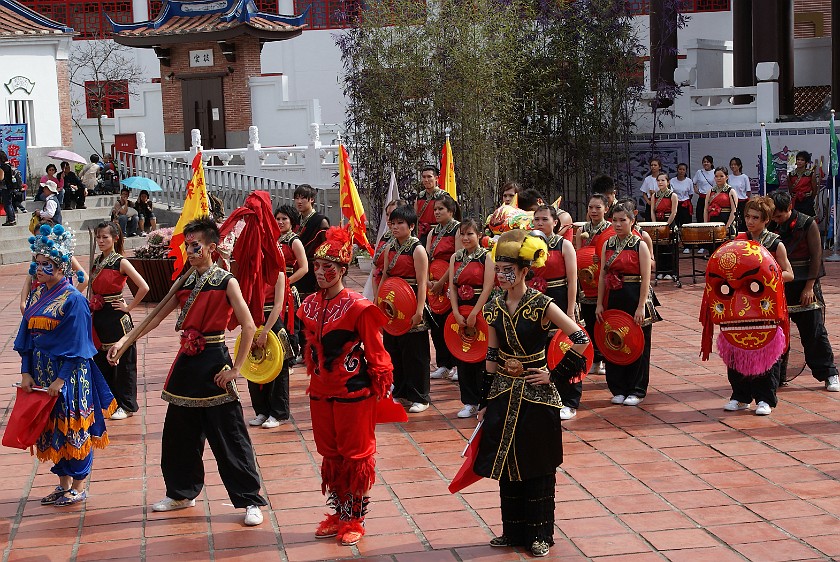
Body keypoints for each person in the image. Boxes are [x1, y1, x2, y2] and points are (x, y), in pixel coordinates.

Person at [108, 217, 267, 526]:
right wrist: (125, 341)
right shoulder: (185, 281)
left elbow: (248, 325)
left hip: (214, 363)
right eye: (187, 246)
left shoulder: (225, 281)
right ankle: (181, 492)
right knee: (179, 434)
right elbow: (154, 316)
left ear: (211, 247)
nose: (191, 252)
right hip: (186, 364)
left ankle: (249, 499)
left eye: (196, 246)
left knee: (230, 436)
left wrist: (236, 369)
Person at [477, 229, 590, 558]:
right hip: (503, 391)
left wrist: (554, 375)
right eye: (498, 268)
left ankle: (540, 535)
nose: (501, 274)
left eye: (507, 268)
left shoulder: (542, 304)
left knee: (537, 463)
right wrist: (485, 400)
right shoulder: (495, 304)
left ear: (525, 270)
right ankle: (512, 530)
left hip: (536, 395)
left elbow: (580, 339)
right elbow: (491, 356)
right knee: (507, 462)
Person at [298, 226, 393, 546]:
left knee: (357, 456)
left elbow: (378, 354)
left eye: (330, 267)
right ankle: (338, 513)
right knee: (331, 454)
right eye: (318, 266)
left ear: (342, 269)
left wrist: (381, 388)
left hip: (355, 392)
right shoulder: (309, 303)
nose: (322, 272)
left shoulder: (358, 307)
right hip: (320, 391)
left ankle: (356, 518)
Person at [15, 224, 117, 506]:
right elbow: (26, 337)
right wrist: (26, 371)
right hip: (41, 374)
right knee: (52, 429)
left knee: (74, 428)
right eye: (38, 264)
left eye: (46, 264)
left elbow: (78, 347)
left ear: (61, 267)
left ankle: (80, 485)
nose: (39, 269)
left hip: (70, 376)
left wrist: (60, 379)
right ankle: (63, 484)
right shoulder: (36, 296)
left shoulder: (74, 300)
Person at [728, 197, 793, 415]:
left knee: (766, 351)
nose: (750, 221)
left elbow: (789, 274)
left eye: (755, 217)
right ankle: (740, 396)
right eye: (747, 216)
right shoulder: (738, 241)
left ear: (766, 220)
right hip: (740, 306)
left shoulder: (775, 243)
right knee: (738, 348)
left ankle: (765, 399)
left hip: (766, 306)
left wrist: (765, 277)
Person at [768, 190, 839, 392]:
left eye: (779, 216)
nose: (776, 220)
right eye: (773, 216)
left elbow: (817, 257)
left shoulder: (808, 223)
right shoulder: (770, 225)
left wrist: (809, 286)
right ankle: (776, 376)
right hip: (780, 285)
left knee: (814, 332)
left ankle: (829, 374)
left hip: (805, 283)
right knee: (777, 334)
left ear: (789, 208)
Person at [596, 201, 660, 406]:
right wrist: (599, 303)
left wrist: (641, 306)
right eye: (614, 220)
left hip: (635, 295)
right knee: (613, 340)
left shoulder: (639, 244)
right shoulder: (608, 244)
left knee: (637, 342)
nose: (617, 224)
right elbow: (601, 276)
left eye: (622, 220)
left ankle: (637, 389)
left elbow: (646, 278)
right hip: (614, 296)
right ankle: (618, 387)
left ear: (632, 221)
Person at [89, 221, 148, 420]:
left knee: (123, 361)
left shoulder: (120, 261)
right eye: (98, 237)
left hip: (117, 316)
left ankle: (127, 404)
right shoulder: (96, 261)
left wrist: (128, 307)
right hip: (99, 316)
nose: (101, 241)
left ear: (115, 238)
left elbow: (144, 287)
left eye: (105, 237)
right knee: (102, 359)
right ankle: (110, 402)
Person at [530, 204, 579, 419]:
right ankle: (546, 395)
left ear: (555, 222)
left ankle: (570, 400)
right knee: (540, 349)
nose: (540, 223)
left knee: (564, 348)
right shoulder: (529, 245)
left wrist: (570, 309)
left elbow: (572, 280)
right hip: (536, 302)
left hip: (558, 298)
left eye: (544, 219)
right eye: (537, 220)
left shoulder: (563, 245)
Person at [380, 205, 430, 413]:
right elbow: (384, 276)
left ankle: (420, 396)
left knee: (415, 353)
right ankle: (400, 391)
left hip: (411, 304)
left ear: (411, 226)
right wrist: (378, 302)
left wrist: (419, 310)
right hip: (391, 303)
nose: (396, 227)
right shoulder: (389, 247)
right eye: (393, 223)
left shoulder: (417, 249)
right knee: (394, 349)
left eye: (401, 223)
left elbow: (422, 281)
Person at [447, 219, 495, 418]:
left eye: (470, 234)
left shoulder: (486, 258)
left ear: (479, 235)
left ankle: (485, 401)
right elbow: (452, 286)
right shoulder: (455, 257)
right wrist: (456, 313)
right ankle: (468, 401)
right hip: (460, 309)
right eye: (462, 234)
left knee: (482, 356)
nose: (466, 238)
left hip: (480, 308)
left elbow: (488, 287)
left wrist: (476, 312)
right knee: (463, 353)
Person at [577, 193, 613, 375]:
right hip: (585, 282)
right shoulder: (581, 229)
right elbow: (577, 254)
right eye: (590, 207)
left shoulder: (611, 230)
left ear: (606, 209)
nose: (593, 211)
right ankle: (594, 359)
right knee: (589, 321)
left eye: (598, 207)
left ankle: (607, 358)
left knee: (604, 322)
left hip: (603, 280)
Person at [426, 195, 461, 381]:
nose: (437, 212)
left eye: (441, 209)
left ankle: (456, 363)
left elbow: (457, 260)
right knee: (436, 324)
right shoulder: (433, 232)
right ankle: (443, 364)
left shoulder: (457, 230)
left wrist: (442, 283)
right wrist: (428, 281)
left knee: (451, 323)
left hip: (450, 282)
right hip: (433, 282)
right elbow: (427, 257)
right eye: (435, 209)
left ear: (451, 211)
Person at [293, 184, 330, 355]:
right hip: (298, 269)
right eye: (297, 198)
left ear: (312, 200)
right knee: (299, 312)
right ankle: (302, 349)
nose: (299, 201)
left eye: (303, 198)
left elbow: (325, 248)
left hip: (313, 271)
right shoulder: (296, 220)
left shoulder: (320, 221)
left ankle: (315, 350)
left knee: (313, 313)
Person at [275, 204, 308, 359]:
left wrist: (287, 282)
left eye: (284, 219)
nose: (280, 222)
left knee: (290, 325)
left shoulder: (294, 241)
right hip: (273, 287)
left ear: (291, 221)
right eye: (278, 219)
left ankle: (291, 357)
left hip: (288, 288)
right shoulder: (273, 239)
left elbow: (304, 268)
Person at [652, 171, 679, 280]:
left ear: (668, 182)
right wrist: (655, 224)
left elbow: (674, 212)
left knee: (669, 248)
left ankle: (671, 271)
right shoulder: (655, 195)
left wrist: (666, 225)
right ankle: (660, 271)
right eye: (658, 180)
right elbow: (652, 211)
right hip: (658, 222)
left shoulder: (673, 195)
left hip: (669, 223)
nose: (660, 182)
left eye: (663, 180)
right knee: (658, 248)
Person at [415, 165, 446, 244]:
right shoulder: (419, 197)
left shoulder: (444, 196)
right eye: (424, 177)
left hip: (439, 234)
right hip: (421, 234)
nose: (426, 180)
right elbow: (415, 217)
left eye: (429, 177)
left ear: (436, 178)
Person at [703, 166, 738, 236]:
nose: (718, 178)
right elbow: (706, 209)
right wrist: (706, 224)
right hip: (712, 222)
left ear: (727, 177)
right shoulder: (710, 191)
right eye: (716, 176)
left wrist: (727, 226)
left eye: (721, 176)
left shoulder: (731, 191)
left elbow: (734, 210)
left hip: (726, 221)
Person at [787, 151, 818, 217]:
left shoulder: (811, 174)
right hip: (796, 201)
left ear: (806, 162)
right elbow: (790, 189)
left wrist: (809, 199)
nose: (799, 161)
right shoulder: (790, 175)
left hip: (807, 201)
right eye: (798, 159)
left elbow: (814, 189)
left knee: (808, 221)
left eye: (802, 160)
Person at [670, 163, 694, 237]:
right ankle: (676, 242)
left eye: (683, 170)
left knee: (686, 225)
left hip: (685, 205)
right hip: (675, 204)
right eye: (680, 169)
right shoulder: (672, 181)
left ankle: (687, 245)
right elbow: (670, 193)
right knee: (675, 224)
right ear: (677, 170)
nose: (681, 171)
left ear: (686, 171)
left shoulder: (689, 181)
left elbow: (691, 194)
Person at [693, 155, 716, 229]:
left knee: (711, 216)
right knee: (700, 216)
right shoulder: (699, 172)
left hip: (712, 198)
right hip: (702, 197)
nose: (706, 163)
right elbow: (694, 182)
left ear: (711, 163)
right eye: (704, 162)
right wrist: (696, 190)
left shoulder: (715, 172)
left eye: (708, 162)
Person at [729, 157, 751, 232]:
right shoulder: (729, 177)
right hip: (732, 202)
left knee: (742, 221)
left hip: (742, 202)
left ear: (739, 166)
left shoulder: (744, 177)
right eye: (731, 164)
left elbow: (748, 191)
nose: (733, 166)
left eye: (735, 164)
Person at [1, 150, 16, 226]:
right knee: (10, 203)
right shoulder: (9, 165)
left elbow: (1, 177)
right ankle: (12, 219)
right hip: (11, 187)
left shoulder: (2, 166)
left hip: (5, 187)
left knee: (7, 204)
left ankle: (11, 220)